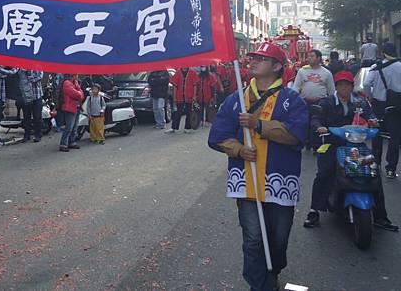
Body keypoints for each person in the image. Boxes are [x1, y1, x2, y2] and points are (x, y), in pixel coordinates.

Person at [208, 43, 308, 291]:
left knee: (278, 238)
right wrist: (239, 150)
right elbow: (217, 136)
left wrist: (258, 125)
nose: (252, 61)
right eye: (252, 57)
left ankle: (273, 271)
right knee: (253, 239)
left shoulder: (291, 99)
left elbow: (298, 135)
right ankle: (259, 284)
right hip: (247, 182)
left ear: (277, 67)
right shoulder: (236, 99)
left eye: (261, 58)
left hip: (280, 182)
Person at [304, 71, 398, 231]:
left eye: (347, 84)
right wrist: (318, 126)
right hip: (332, 143)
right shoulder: (327, 102)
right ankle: (314, 210)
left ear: (351, 86)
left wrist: (374, 122)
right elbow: (316, 118)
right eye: (340, 84)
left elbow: (371, 116)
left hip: (357, 145)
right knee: (325, 171)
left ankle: (381, 216)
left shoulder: (360, 103)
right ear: (336, 86)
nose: (344, 87)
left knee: (373, 173)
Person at [363, 42, 401, 178]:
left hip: (379, 105)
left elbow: (366, 83)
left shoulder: (376, 67)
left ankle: (376, 163)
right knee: (394, 138)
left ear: (383, 53)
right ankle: (391, 169)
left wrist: (370, 97)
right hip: (396, 106)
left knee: (377, 134)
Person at [167, 67, 199, 134]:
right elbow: (175, 86)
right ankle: (173, 128)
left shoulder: (192, 72)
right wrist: (174, 97)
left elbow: (195, 85)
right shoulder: (178, 72)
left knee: (189, 113)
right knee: (178, 113)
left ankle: (187, 128)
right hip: (180, 96)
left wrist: (194, 96)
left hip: (189, 96)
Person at [17, 69, 44, 143]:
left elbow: (40, 77)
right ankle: (26, 135)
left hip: (36, 96)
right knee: (26, 117)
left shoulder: (37, 66)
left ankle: (38, 135)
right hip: (26, 96)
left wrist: (28, 78)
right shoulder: (22, 68)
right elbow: (18, 74)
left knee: (37, 116)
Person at [60, 74, 84, 152]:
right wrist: (78, 91)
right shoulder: (67, 83)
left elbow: (81, 94)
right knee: (69, 127)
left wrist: (77, 87)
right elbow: (77, 94)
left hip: (76, 107)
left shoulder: (75, 83)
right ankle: (63, 144)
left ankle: (72, 142)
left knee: (75, 126)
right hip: (69, 108)